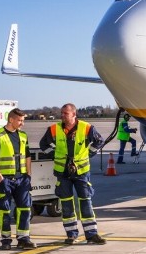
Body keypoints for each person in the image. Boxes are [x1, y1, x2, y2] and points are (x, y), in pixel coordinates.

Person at [39, 103, 107, 245]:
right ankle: (71, 234)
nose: (62, 115)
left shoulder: (86, 127)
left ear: (74, 114)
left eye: (66, 113)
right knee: (67, 204)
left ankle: (92, 234)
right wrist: (55, 155)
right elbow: (43, 145)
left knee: (86, 201)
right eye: (62, 113)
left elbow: (99, 141)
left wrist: (89, 154)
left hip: (81, 172)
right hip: (63, 173)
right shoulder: (54, 129)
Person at [0, 108, 35, 250]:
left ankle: (23, 238)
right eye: (20, 120)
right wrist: (0, 178)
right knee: (4, 211)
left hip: (22, 180)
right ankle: (6, 240)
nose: (22, 124)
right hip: (5, 180)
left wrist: (28, 175)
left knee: (25, 209)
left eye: (23, 120)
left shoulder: (23, 136)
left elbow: (27, 156)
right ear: (11, 119)